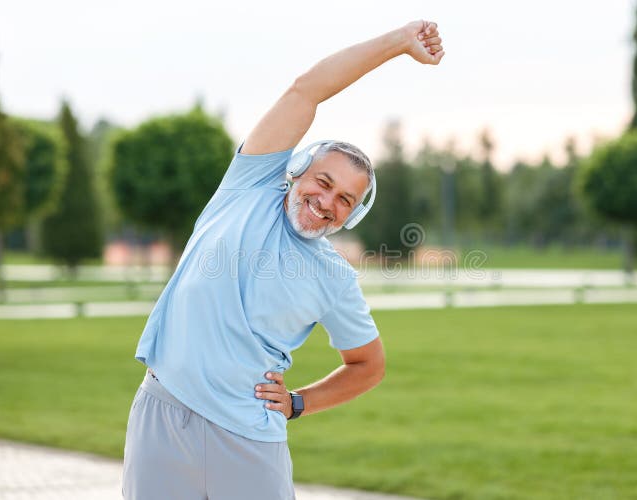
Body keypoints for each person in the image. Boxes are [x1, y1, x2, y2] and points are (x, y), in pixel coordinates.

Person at [122, 19, 444, 500]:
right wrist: (398, 43)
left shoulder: (334, 277)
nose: (328, 201)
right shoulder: (247, 186)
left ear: (353, 215)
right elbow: (307, 91)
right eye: (324, 182)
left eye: (346, 200)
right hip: (162, 416)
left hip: (250, 439)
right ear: (296, 171)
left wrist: (298, 403)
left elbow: (368, 365)